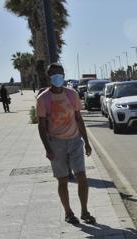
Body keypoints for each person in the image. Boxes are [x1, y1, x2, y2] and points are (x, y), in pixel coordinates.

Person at [37, 62, 96, 225]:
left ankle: (84, 211)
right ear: (49, 77)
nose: (57, 76)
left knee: (82, 176)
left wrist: (87, 142)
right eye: (54, 73)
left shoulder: (72, 95)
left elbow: (78, 118)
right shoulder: (43, 99)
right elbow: (41, 126)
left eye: (60, 73)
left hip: (75, 140)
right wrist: (48, 149)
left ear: (63, 74)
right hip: (56, 143)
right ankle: (69, 212)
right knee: (62, 180)